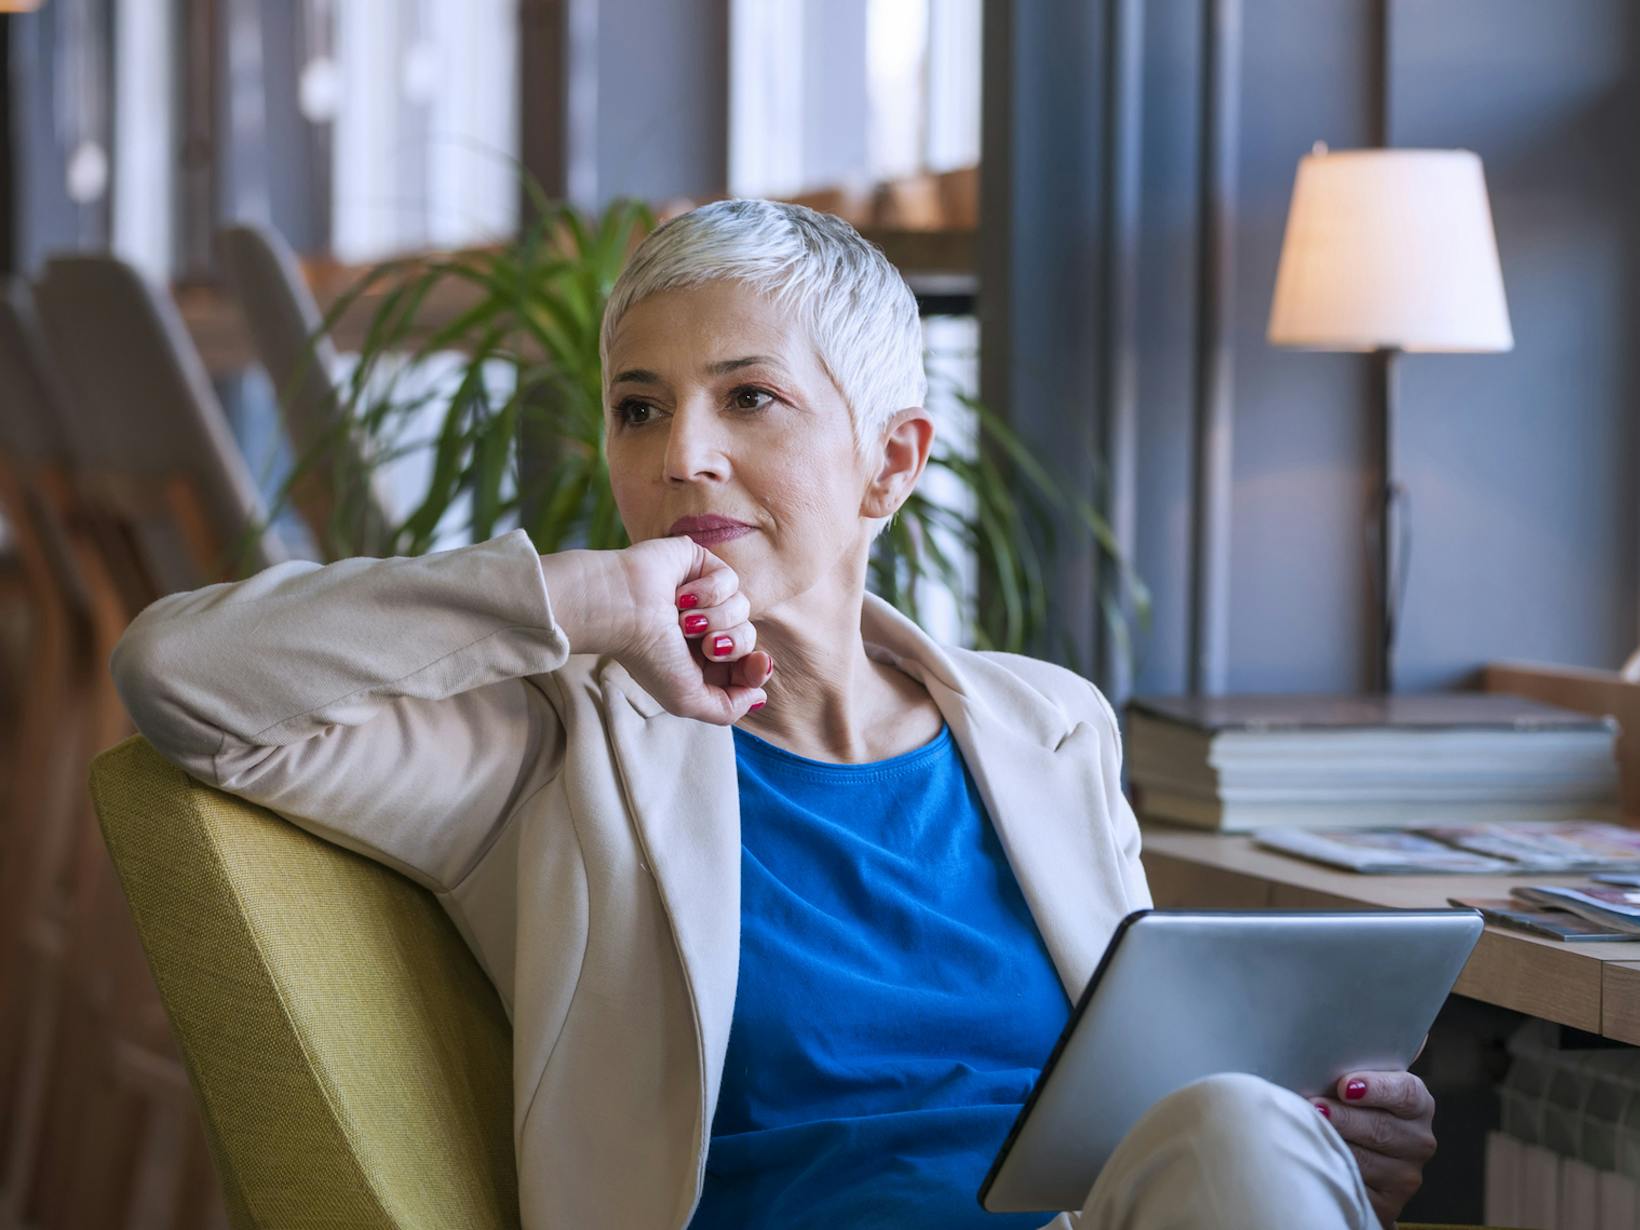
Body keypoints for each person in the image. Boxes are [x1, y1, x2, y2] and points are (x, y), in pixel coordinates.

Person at [110, 200, 1439, 1229]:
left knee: (1246, 1129)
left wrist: (1313, 1137)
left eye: (749, 395)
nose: (681, 450)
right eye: (640, 408)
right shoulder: (552, 746)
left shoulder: (1051, 727)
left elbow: (1150, 1113)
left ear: (893, 460)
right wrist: (584, 589)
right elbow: (183, 678)